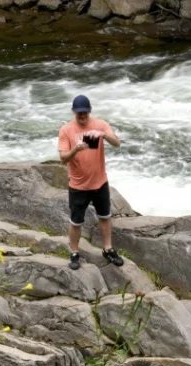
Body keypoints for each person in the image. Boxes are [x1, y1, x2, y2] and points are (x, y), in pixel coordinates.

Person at [58, 94, 125, 270]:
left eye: (85, 113)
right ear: (73, 111)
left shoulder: (100, 124)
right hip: (78, 186)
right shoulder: (66, 130)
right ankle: (74, 252)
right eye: (79, 113)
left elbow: (117, 143)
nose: (82, 116)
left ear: (89, 111)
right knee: (76, 222)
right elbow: (63, 158)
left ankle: (108, 249)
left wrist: (103, 135)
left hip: (100, 182)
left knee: (105, 217)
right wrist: (76, 149)